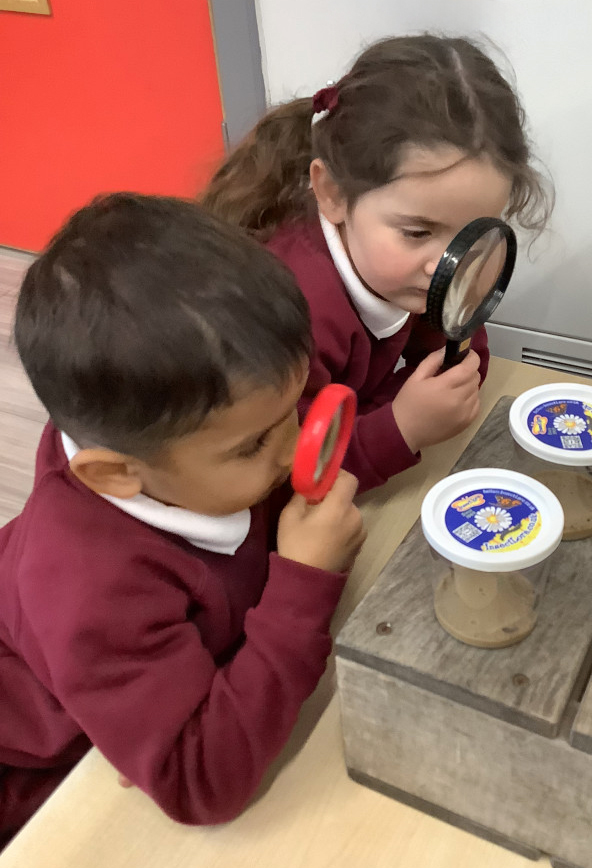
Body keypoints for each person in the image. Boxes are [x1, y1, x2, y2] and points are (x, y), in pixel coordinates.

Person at [0, 193, 365, 846]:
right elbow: (199, 782)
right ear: (115, 474)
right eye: (254, 445)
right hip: (32, 766)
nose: (291, 447)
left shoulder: (202, 428)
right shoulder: (92, 590)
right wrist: (304, 586)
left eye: (295, 409)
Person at [202, 34, 553, 492]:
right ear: (332, 194)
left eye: (474, 235)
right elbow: (280, 472)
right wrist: (400, 427)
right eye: (417, 232)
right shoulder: (294, 312)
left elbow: (453, 357)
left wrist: (444, 375)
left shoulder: (403, 270)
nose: (447, 265)